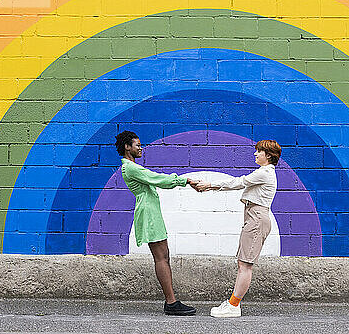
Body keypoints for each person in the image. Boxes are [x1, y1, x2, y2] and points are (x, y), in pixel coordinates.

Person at [115, 130, 198, 316]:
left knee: (164, 257)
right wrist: (185, 180)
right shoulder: (130, 167)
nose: (141, 148)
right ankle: (171, 302)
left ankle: (172, 301)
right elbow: (157, 178)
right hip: (149, 214)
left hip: (151, 211)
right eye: (137, 145)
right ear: (127, 147)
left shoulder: (131, 167)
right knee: (161, 258)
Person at [196, 140, 281, 318]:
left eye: (259, 151)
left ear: (269, 156)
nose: (255, 154)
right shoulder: (264, 172)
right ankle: (232, 303)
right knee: (243, 263)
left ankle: (234, 306)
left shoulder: (265, 173)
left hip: (256, 218)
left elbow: (239, 182)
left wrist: (209, 185)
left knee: (245, 264)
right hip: (253, 216)